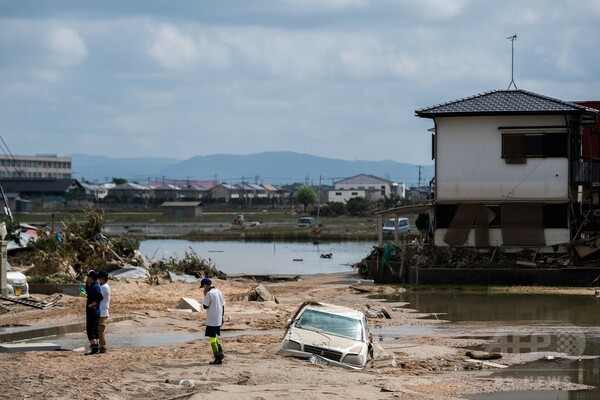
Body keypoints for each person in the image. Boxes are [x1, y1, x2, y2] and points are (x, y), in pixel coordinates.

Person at [200, 277, 225, 365]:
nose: (203, 288)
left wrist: (205, 295)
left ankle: (218, 357)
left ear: (206, 285)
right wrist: (222, 317)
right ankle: (220, 352)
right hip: (218, 318)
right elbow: (223, 305)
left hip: (212, 320)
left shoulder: (209, 294)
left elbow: (205, 306)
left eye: (203, 287)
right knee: (214, 337)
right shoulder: (219, 291)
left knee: (212, 339)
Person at [85, 270, 103, 355]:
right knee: (94, 330)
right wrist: (86, 283)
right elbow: (87, 291)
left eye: (88, 277)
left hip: (93, 311)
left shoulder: (95, 286)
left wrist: (92, 304)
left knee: (90, 330)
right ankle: (95, 347)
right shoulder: (93, 285)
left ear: (91, 278)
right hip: (95, 312)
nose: (87, 278)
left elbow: (100, 297)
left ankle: (94, 348)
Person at [98, 270, 111, 354]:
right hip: (101, 312)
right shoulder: (103, 286)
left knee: (100, 331)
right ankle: (100, 346)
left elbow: (98, 297)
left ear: (102, 279)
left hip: (103, 313)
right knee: (98, 331)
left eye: (99, 279)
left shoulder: (104, 287)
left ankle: (103, 347)